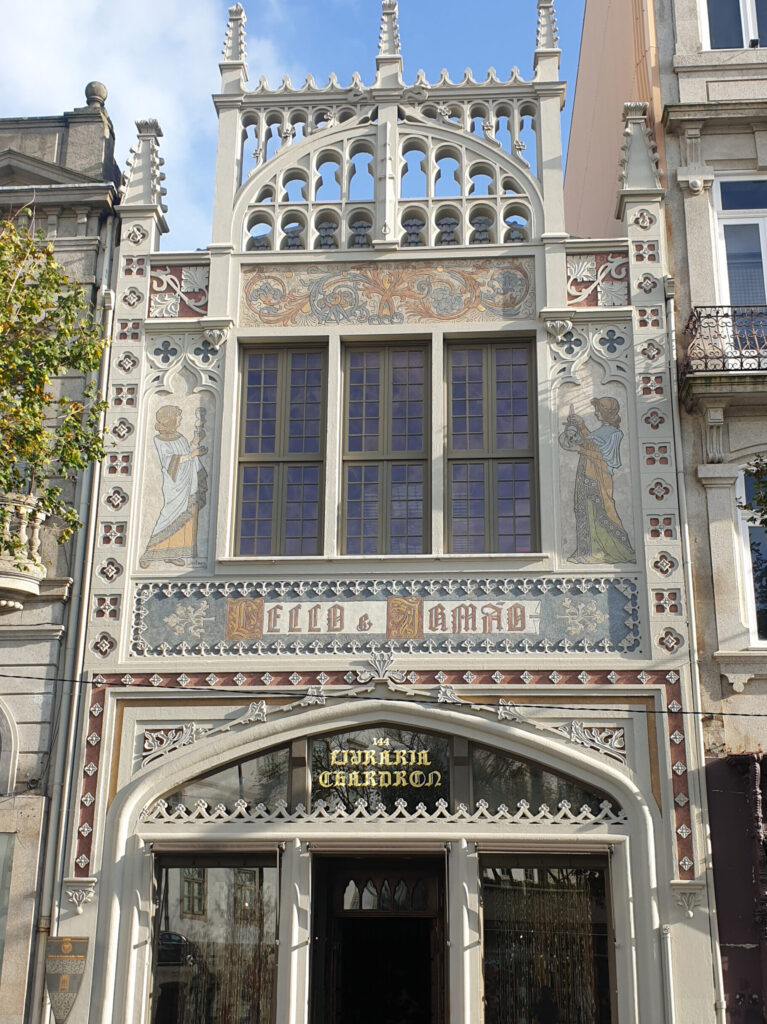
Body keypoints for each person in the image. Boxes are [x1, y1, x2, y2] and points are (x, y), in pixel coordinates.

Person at [558, 396, 636, 564]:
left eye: (599, 410)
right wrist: (579, 424)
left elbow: (605, 458)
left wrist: (581, 448)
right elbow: (589, 442)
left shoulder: (615, 434)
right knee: (585, 512)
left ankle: (616, 550)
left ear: (608, 413)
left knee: (604, 512)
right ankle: (586, 551)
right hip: (585, 474)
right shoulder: (601, 431)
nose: (596, 412)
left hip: (599, 478)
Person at [140, 405, 208, 567]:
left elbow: (186, 452)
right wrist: (193, 454)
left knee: (189, 515)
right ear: (169, 419)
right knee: (169, 514)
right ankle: (150, 552)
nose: (180, 419)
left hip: (188, 482)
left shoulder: (179, 437)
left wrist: (195, 442)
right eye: (178, 416)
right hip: (175, 484)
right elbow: (170, 461)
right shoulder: (159, 440)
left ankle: (175, 552)